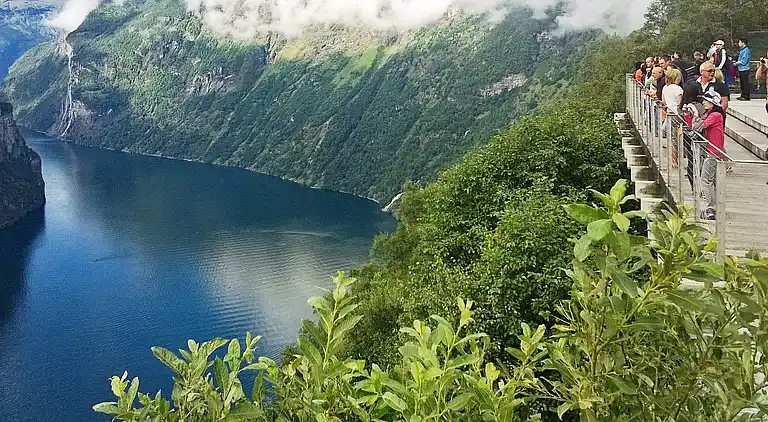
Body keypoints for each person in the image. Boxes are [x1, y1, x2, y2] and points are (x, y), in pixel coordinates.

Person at [688, 91, 726, 220]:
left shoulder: (715, 115)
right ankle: (714, 207)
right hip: (711, 151)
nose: (703, 102)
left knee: (705, 179)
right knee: (711, 180)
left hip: (714, 152)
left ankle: (711, 208)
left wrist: (695, 113)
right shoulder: (710, 114)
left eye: (706, 100)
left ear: (713, 103)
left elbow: (698, 126)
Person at [681, 83, 705, 190]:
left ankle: (693, 187)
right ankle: (698, 187)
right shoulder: (698, 106)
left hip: (686, 133)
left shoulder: (684, 105)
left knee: (690, 159)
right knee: (698, 160)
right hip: (696, 135)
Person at [662, 69, 684, 166]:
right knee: (677, 138)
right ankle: (675, 161)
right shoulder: (678, 89)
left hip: (669, 113)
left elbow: (664, 102)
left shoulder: (665, 88)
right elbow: (680, 103)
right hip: (677, 114)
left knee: (672, 139)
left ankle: (674, 160)